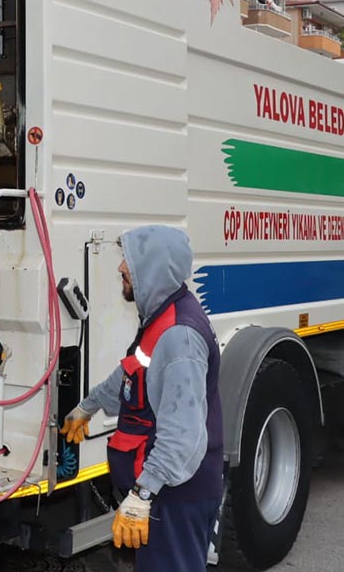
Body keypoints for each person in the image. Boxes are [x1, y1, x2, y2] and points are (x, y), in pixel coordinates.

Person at [60, 226, 223, 571]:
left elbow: (183, 436)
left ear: (154, 269)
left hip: (175, 496)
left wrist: (143, 495)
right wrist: (88, 407)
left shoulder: (179, 336)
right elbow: (132, 372)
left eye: (129, 262)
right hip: (167, 494)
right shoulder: (161, 319)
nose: (120, 268)